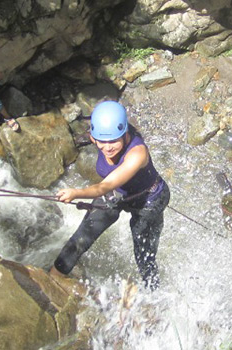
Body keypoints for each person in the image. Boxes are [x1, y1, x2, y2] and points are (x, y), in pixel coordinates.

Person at [50, 101, 170, 290]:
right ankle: (53, 277)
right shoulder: (101, 136)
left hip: (149, 201)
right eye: (101, 141)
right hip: (118, 194)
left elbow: (105, 186)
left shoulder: (137, 153)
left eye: (113, 141)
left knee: (144, 256)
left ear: (125, 134)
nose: (107, 147)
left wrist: (76, 193)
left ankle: (154, 294)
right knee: (82, 236)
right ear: (93, 136)